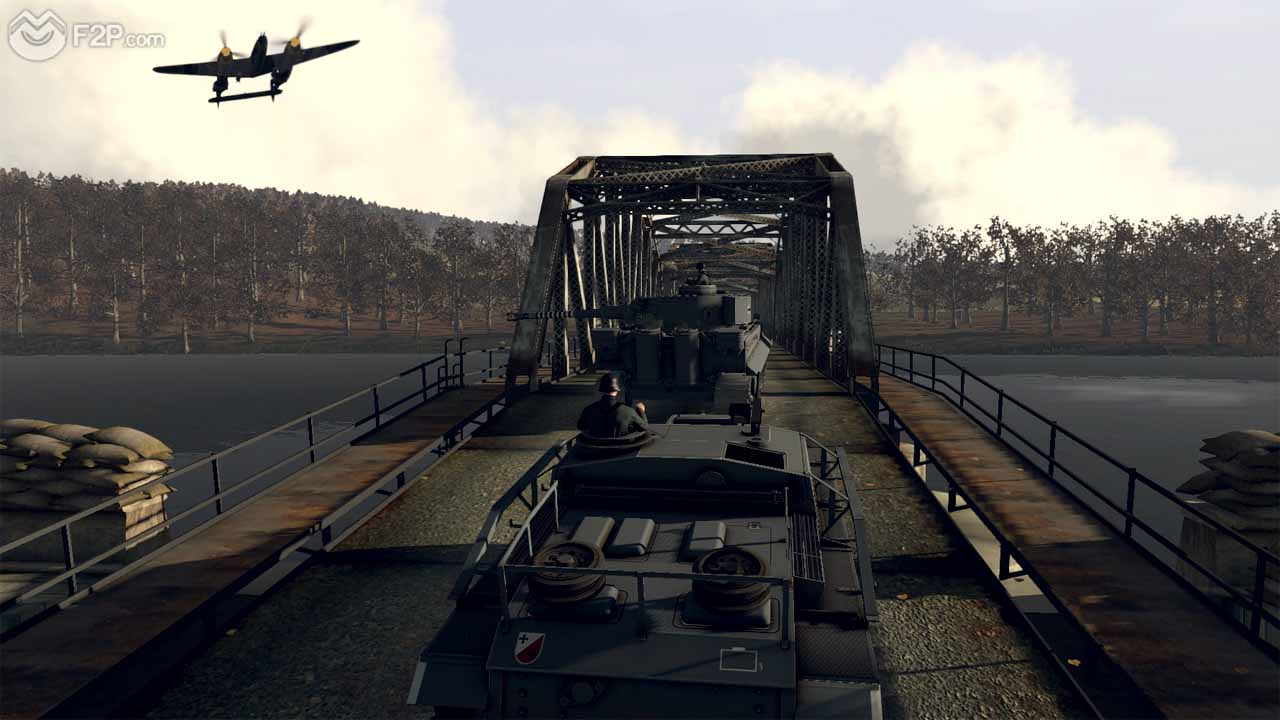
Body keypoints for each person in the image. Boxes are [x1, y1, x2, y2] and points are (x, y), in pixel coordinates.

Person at [577, 373, 648, 438]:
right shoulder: (628, 411)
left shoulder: (589, 410)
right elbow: (644, 427)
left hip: (595, 446)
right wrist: (641, 411)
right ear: (617, 391)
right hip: (621, 447)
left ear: (601, 390)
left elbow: (580, 426)